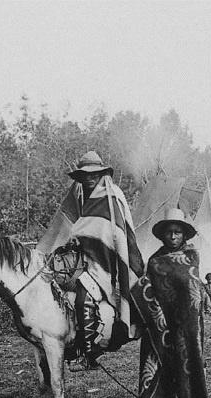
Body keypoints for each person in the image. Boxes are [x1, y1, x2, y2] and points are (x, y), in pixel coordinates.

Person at [46, 150, 144, 371]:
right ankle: (65, 343)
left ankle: (89, 352)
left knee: (83, 298)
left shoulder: (112, 196)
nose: (89, 179)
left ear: (101, 174)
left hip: (103, 261)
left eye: (93, 174)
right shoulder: (79, 195)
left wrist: (90, 242)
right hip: (79, 260)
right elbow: (66, 226)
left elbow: (117, 233)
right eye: (84, 176)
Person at [132, 208, 211, 398]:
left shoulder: (191, 258)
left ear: (184, 234)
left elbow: (192, 292)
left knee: (181, 372)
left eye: (177, 232)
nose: (173, 236)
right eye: (169, 232)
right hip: (157, 326)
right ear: (163, 235)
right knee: (153, 373)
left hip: (185, 328)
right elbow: (145, 289)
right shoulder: (154, 261)